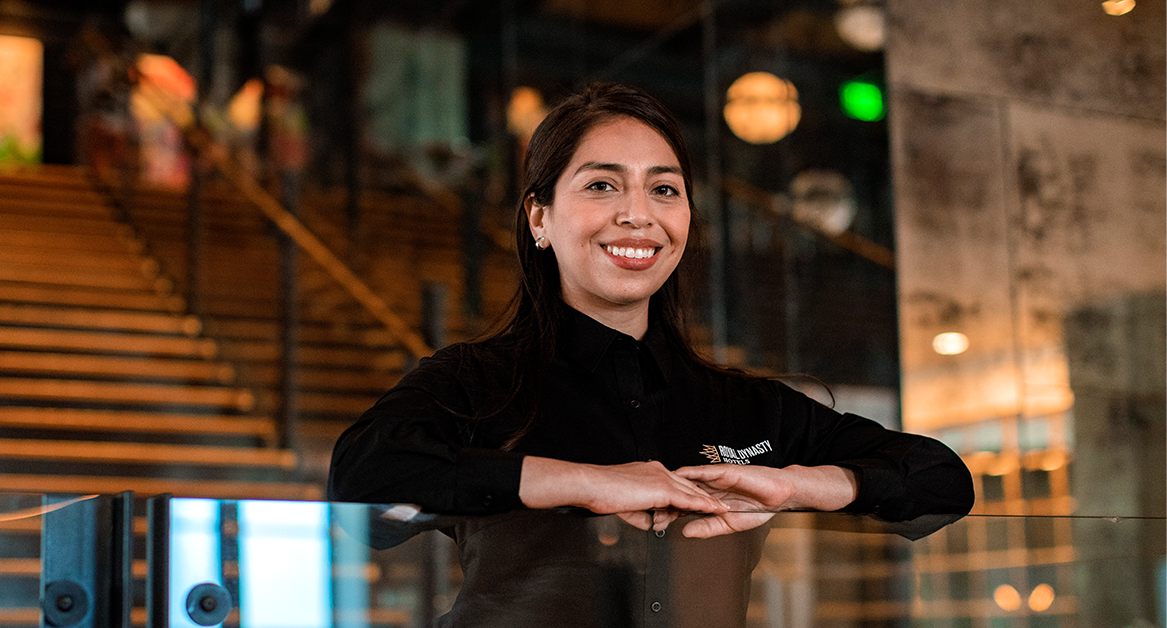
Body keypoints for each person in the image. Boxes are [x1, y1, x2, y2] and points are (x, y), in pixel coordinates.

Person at [328, 82, 974, 626]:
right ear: (539, 219)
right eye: (603, 185)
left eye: (663, 190)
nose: (639, 215)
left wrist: (796, 486)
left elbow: (942, 480)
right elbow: (362, 489)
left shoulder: (748, 408)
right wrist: (588, 482)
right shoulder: (476, 382)